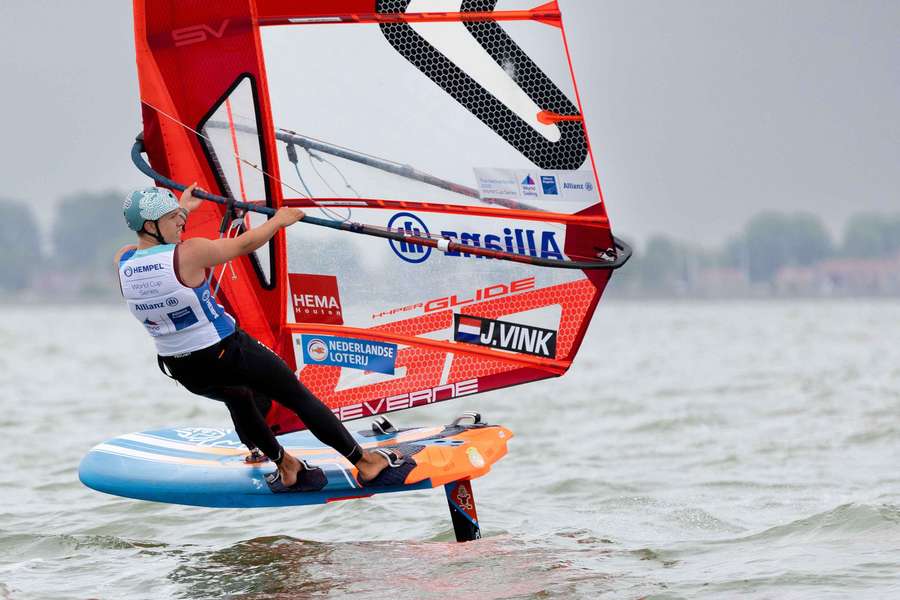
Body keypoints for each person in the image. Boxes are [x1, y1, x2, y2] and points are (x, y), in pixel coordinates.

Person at [115, 185, 403, 491]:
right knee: (296, 395)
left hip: (182, 369)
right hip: (225, 352)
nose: (181, 223)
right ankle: (366, 463)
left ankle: (286, 465)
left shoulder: (123, 260)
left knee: (238, 397)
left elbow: (156, 249)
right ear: (150, 225)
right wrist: (278, 221)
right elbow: (243, 245)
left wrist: (183, 207)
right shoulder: (190, 252)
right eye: (173, 218)